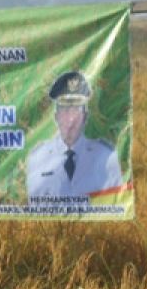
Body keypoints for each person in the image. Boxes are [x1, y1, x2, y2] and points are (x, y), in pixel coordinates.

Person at [26, 71, 123, 200]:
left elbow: (115, 206)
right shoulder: (38, 158)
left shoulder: (105, 156)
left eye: (76, 110)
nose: (71, 119)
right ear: (56, 116)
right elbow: (34, 209)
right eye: (65, 110)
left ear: (85, 117)